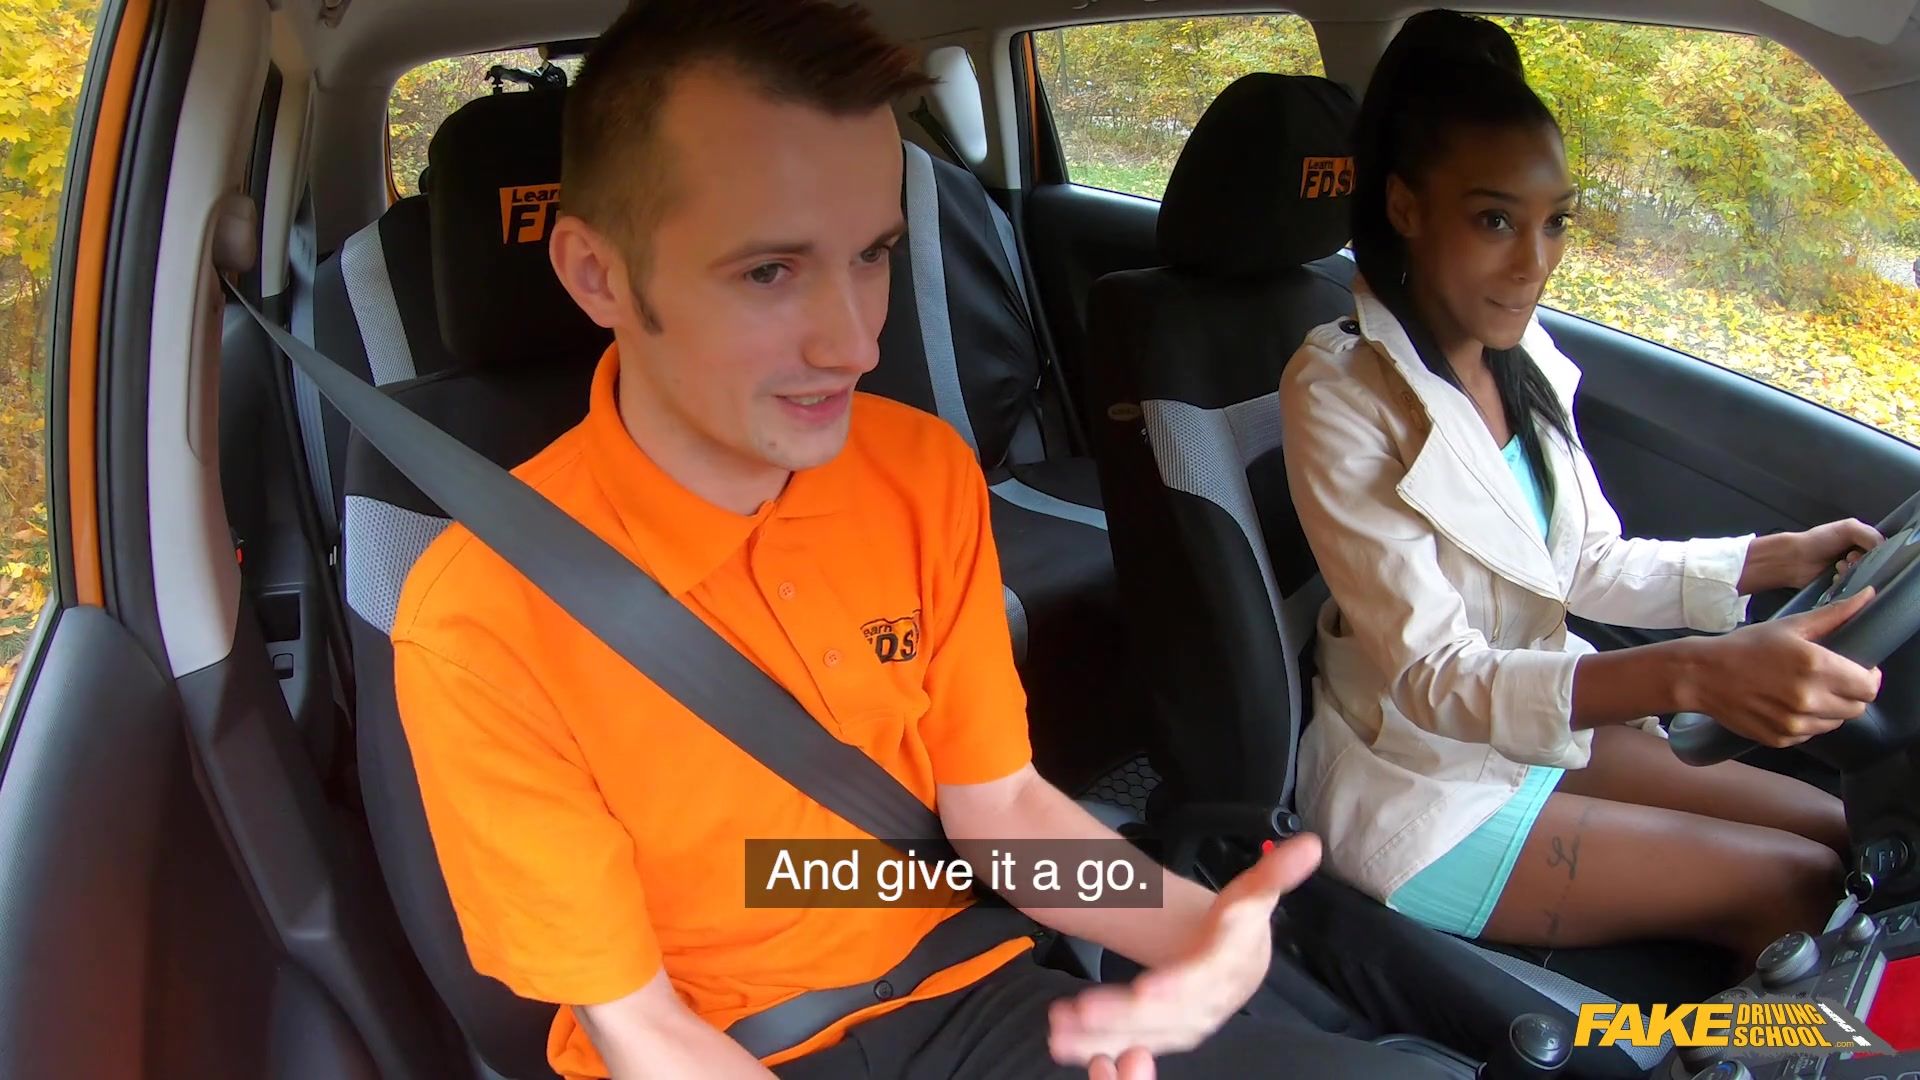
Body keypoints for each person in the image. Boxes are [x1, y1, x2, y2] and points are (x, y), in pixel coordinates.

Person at [390, 2, 1455, 1078]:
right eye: (770, 271)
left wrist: (1194, 931)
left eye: (873, 254)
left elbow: (998, 812)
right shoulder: (484, 612)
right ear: (598, 275)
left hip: (974, 992)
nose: (856, 342)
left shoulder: (918, 472)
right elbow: (639, 1027)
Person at [1280, 9, 1883, 973]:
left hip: (1536, 727)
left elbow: (1585, 562)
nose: (1535, 264)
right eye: (1494, 220)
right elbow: (1436, 678)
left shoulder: (1520, 353)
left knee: (1849, 835)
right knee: (1800, 887)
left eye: (1554, 220)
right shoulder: (1339, 390)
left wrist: (1778, 559)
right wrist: (1693, 673)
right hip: (1423, 786)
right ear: (1404, 206)